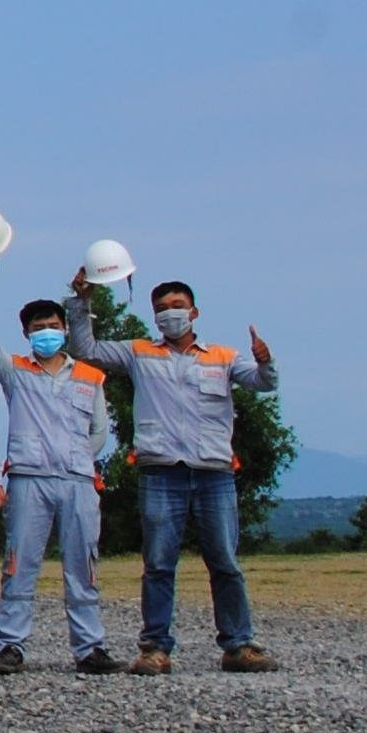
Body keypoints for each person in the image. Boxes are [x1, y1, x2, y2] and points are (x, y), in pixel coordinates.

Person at [67, 267, 279, 674]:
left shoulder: (223, 357)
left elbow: (262, 383)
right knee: (159, 564)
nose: (170, 313)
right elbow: (86, 349)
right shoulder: (139, 352)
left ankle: (238, 645)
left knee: (225, 562)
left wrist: (265, 362)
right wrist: (82, 302)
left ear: (194, 312)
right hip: (161, 472)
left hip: (214, 472)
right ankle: (155, 649)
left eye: (177, 306)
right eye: (162, 308)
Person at [0, 259, 116, 676]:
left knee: (83, 564)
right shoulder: (15, 371)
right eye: (38, 327)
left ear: (65, 328)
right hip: (29, 480)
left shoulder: (90, 375)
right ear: (27, 333)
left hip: (78, 482)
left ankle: (90, 648)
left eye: (53, 325)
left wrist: (77, 456)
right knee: (19, 563)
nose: (47, 332)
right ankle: (10, 645)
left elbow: (99, 431)